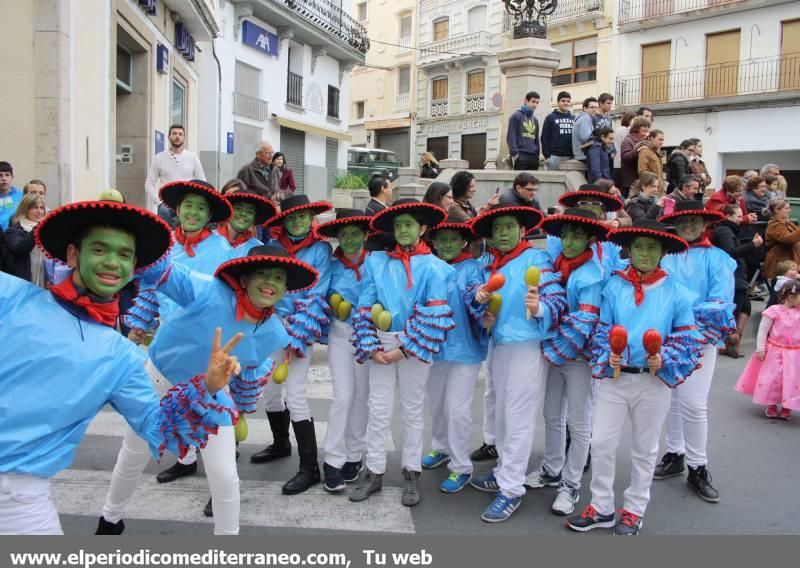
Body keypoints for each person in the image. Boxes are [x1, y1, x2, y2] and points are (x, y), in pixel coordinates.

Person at [0, 199, 240, 534]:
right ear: (72, 256)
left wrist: (209, 387)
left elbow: (160, 429)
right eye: (99, 249)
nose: (112, 262)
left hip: (20, 504)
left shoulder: (123, 358)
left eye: (125, 255)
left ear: (133, 268)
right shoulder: (11, 297)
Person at [98, 245, 313, 534]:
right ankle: (110, 521)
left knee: (225, 476)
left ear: (286, 288)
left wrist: (238, 389)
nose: (270, 282)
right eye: (262, 273)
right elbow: (162, 271)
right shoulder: (206, 290)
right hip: (160, 383)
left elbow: (249, 370)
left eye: (278, 277)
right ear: (245, 279)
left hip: (211, 394)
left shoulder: (275, 332)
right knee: (135, 453)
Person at [567, 220, 704, 536]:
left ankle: (634, 510)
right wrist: (609, 354)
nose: (644, 253)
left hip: (653, 383)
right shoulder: (613, 287)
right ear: (629, 250)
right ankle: (601, 507)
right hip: (615, 380)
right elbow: (603, 330)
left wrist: (663, 357)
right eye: (639, 246)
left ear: (662, 252)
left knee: (644, 449)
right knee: (601, 443)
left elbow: (686, 338)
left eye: (652, 247)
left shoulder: (678, 293)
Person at [349, 199, 454, 507]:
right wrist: (371, 346)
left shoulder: (436, 268)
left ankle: (411, 472)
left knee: (411, 410)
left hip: (414, 347)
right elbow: (365, 306)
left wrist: (403, 350)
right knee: (378, 409)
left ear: (422, 228)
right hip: (381, 344)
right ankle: (375, 471)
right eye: (398, 225)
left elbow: (434, 314)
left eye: (409, 224)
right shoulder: (376, 261)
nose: (403, 230)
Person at [468, 205, 567, 522]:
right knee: (499, 414)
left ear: (522, 230)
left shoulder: (537, 259)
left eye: (509, 227)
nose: (503, 233)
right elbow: (476, 299)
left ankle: (511, 489)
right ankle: (501, 472)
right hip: (498, 344)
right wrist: (480, 306)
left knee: (518, 417)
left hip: (526, 345)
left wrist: (539, 308)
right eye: (497, 229)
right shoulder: (488, 263)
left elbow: (557, 300)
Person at [252, 196, 333, 497]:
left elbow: (318, 291)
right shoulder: (274, 248)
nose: (298, 222)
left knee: (295, 394)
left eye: (303, 217)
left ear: (311, 218)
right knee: (270, 391)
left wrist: (296, 330)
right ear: (284, 221)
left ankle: (310, 467)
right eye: (292, 218)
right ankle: (281, 443)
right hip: (270, 324)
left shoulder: (321, 249)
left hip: (301, 327)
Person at [657, 202, 736, 503]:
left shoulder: (718, 259)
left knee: (693, 403)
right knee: (673, 399)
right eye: (683, 220)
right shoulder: (666, 255)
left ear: (703, 222)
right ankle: (675, 452)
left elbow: (719, 301)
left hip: (698, 340)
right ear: (675, 224)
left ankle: (697, 465)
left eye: (694, 220)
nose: (688, 225)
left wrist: (688, 331)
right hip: (666, 339)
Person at [530, 209, 607, 516]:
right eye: (564, 235)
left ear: (589, 238)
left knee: (579, 421)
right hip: (554, 352)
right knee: (551, 414)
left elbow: (585, 318)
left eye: (576, 236)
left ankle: (571, 484)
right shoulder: (558, 264)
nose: (569, 241)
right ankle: (551, 468)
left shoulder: (592, 274)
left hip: (579, 357)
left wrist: (543, 318)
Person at [421, 219, 489, 493]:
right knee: (436, 404)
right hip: (434, 347)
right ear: (433, 242)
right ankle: (441, 447)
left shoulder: (473, 267)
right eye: (441, 239)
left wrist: (479, 299)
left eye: (453, 239)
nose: (447, 244)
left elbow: (476, 294)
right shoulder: (428, 266)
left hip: (464, 350)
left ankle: (461, 467)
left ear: (464, 241)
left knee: (457, 410)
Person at [316, 210, 372, 492]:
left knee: (362, 396)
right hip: (340, 335)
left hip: (367, 336)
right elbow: (319, 292)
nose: (349, 240)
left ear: (365, 235)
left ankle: (354, 454)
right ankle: (332, 459)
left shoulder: (375, 263)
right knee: (343, 396)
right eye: (344, 235)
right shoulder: (331, 264)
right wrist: (331, 303)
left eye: (354, 234)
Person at [153, 180, 233, 327]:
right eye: (188, 205)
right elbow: (151, 283)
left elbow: (225, 293)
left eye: (201, 208)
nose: (194, 212)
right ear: (177, 210)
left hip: (203, 328)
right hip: (166, 327)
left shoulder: (222, 248)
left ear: (209, 215)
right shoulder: (163, 242)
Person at [735, 279, 800, 420]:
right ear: (791, 296)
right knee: (773, 378)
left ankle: (787, 405)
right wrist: (760, 348)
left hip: (794, 353)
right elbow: (763, 331)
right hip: (775, 351)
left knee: (791, 380)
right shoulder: (774, 311)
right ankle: (771, 404)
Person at [713, 204, 764, 358]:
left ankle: (733, 339)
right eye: (738, 216)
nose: (741, 219)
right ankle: (727, 342)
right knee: (735, 309)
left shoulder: (732, 231)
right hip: (731, 276)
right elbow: (731, 252)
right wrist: (752, 245)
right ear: (728, 216)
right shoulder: (724, 231)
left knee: (745, 307)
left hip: (737, 276)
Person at [144, 125, 206, 226]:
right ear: (168, 137)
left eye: (180, 134)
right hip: (165, 206)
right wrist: (159, 203)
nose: (177, 136)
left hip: (186, 205)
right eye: (174, 134)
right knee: (164, 238)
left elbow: (202, 183)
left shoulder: (192, 157)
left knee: (186, 236)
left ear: (184, 138)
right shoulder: (159, 158)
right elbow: (149, 183)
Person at [216, 190, 276, 256]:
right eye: (238, 208)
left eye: (250, 212)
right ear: (229, 211)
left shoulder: (258, 249)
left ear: (254, 219)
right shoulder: (209, 239)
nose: (243, 213)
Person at [4, 193, 47, 285]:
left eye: (42, 208)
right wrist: (37, 229)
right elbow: (20, 248)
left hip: (45, 284)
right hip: (23, 284)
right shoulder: (14, 231)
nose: (39, 212)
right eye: (35, 207)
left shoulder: (48, 230)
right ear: (25, 209)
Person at [764, 198, 800, 280]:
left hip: (791, 264)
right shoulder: (774, 226)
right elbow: (788, 238)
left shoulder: (788, 224)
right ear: (777, 210)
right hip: (780, 265)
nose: (789, 211)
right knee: (779, 290)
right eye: (786, 208)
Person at [507, 91, 541, 170]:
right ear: (526, 101)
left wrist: (537, 155)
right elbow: (510, 137)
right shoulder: (516, 116)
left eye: (537, 102)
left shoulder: (535, 120)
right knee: (521, 181)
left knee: (532, 182)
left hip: (533, 157)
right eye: (533, 101)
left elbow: (536, 139)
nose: (535, 105)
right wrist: (515, 155)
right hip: (521, 156)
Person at [542, 91, 575, 171]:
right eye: (563, 101)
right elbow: (544, 137)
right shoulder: (550, 117)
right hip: (554, 156)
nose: (566, 103)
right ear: (558, 102)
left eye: (568, 101)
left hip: (571, 156)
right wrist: (547, 156)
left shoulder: (574, 118)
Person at [619, 117, 651, 197]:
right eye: (644, 131)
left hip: (640, 180)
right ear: (636, 129)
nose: (645, 133)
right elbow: (625, 157)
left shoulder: (644, 141)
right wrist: (637, 151)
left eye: (647, 131)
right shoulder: (628, 141)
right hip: (631, 181)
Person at [637, 129, 665, 195]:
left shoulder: (655, 152)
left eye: (663, 140)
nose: (662, 142)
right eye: (660, 139)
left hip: (658, 189)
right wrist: (654, 183)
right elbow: (642, 171)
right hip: (651, 190)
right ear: (651, 138)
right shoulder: (645, 151)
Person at [571, 97, 599, 162]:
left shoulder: (583, 118)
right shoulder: (585, 118)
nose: (594, 110)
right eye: (592, 107)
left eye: (596, 107)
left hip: (582, 155)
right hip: (584, 156)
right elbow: (587, 138)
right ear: (585, 108)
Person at [0, 161, 23, 231]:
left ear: (12, 177)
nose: (4, 178)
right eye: (0, 175)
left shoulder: (22, 196)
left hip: (15, 235)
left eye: (7, 175)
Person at [613, 112, 636, 180]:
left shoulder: (620, 130)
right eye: (634, 120)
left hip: (618, 164)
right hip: (621, 165)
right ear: (629, 120)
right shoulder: (624, 130)